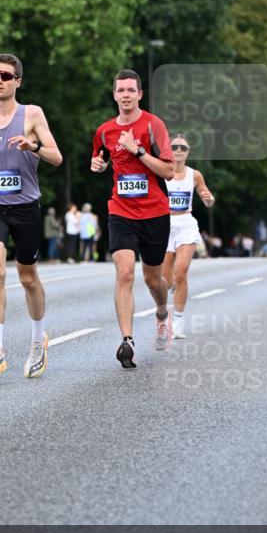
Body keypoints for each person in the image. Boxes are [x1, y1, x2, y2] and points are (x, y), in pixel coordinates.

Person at [0, 54, 62, 378]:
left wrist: (32, 147)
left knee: (27, 277)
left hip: (25, 208)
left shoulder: (32, 114)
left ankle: (39, 340)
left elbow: (57, 157)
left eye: (6, 76)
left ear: (17, 81)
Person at [91, 68, 174, 369]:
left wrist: (137, 150)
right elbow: (98, 158)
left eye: (131, 90)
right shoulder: (104, 131)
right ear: (114, 95)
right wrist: (98, 165)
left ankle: (163, 312)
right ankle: (127, 341)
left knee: (153, 278)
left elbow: (168, 171)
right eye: (120, 90)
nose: (125, 95)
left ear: (139, 94)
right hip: (121, 211)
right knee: (125, 272)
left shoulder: (153, 125)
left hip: (155, 212)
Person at [161, 134, 215, 339]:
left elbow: (206, 196)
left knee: (181, 271)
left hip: (185, 224)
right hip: (165, 225)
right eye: (174, 146)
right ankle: (165, 309)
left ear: (187, 152)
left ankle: (179, 321)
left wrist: (209, 200)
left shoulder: (195, 175)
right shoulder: (161, 172)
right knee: (166, 280)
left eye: (183, 148)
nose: (178, 150)